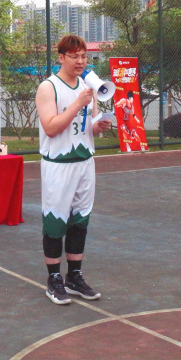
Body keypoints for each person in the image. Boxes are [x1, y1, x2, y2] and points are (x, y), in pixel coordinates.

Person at [35, 35, 113, 305]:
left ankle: (74, 276)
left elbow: (87, 128)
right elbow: (51, 127)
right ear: (61, 58)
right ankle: (54, 279)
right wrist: (78, 103)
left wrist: (99, 126)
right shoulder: (49, 87)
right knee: (55, 221)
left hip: (84, 162)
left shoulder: (89, 87)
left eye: (84, 56)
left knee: (80, 220)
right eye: (74, 56)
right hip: (58, 164)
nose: (80, 61)